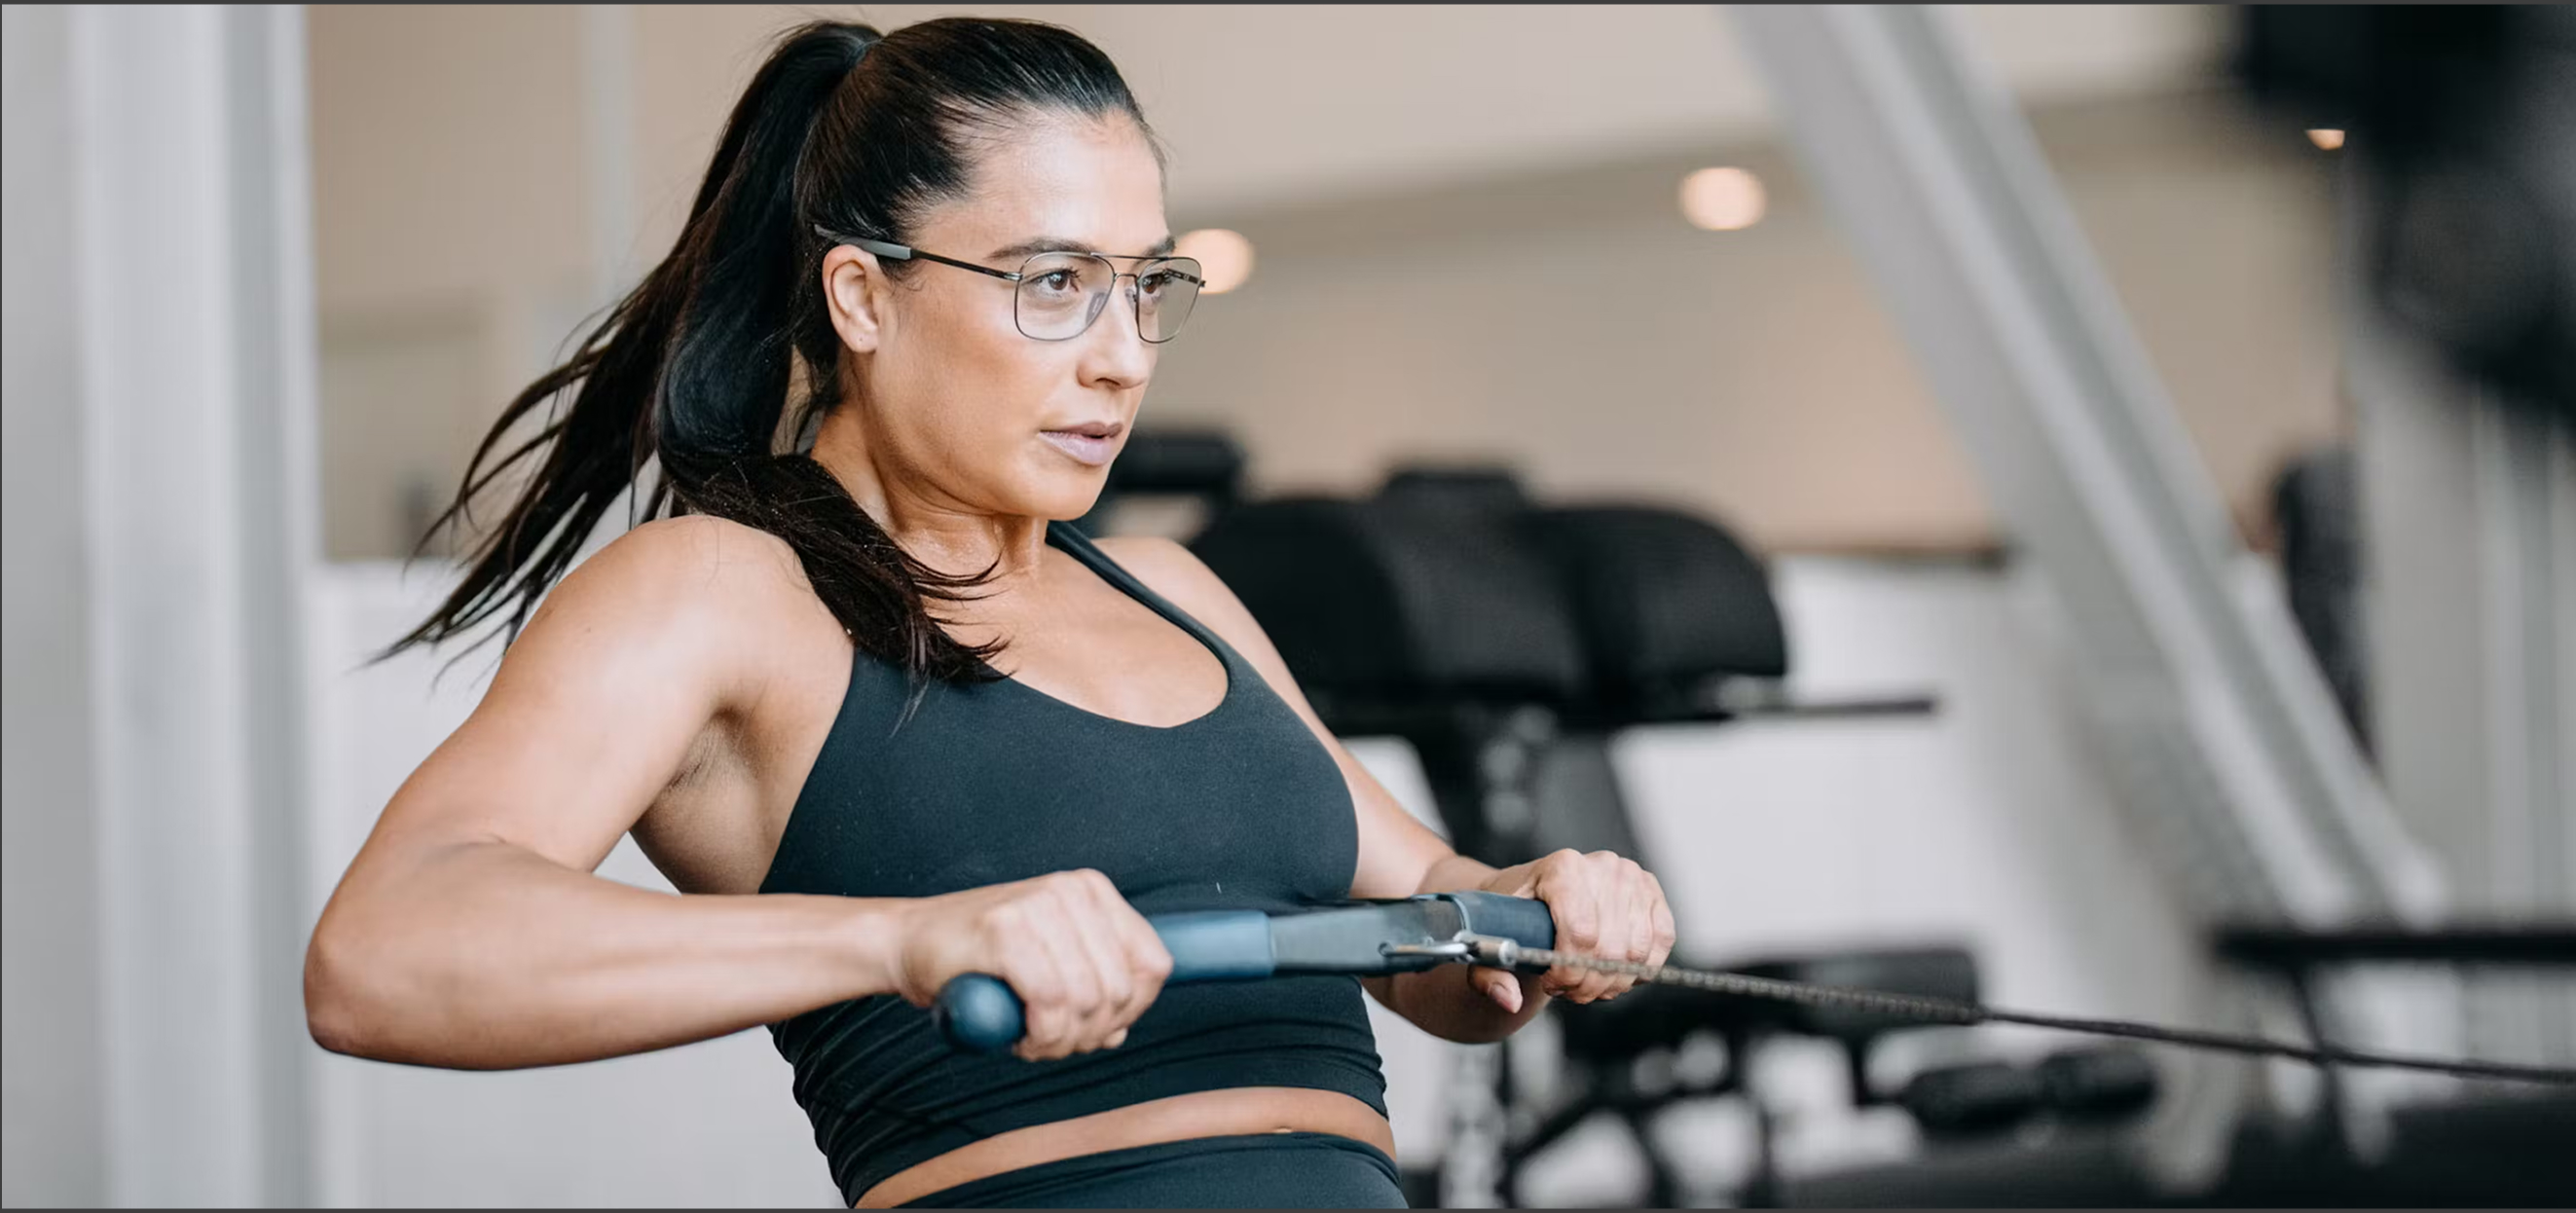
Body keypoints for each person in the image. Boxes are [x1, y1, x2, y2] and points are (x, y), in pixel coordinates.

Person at [303, 17, 1675, 1209]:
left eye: (1145, 285)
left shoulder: (1178, 591)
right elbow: (383, 953)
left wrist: (1544, 904)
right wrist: (900, 938)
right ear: (862, 296)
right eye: (1054, 283)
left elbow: (1432, 939)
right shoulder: (720, 592)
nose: (1123, 358)